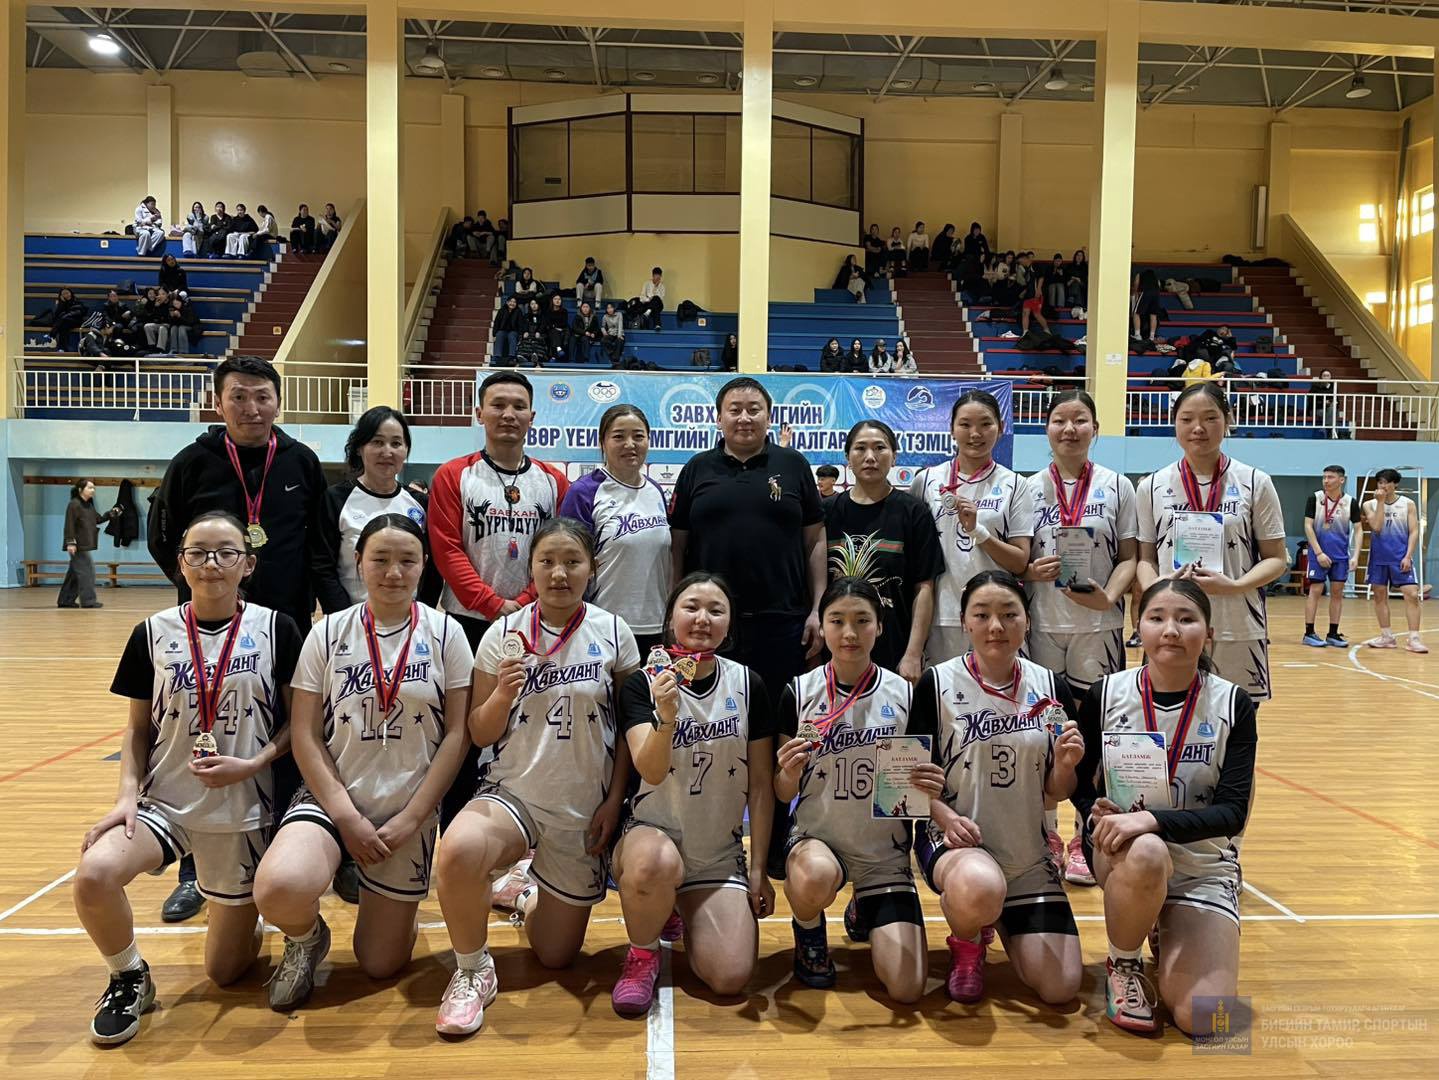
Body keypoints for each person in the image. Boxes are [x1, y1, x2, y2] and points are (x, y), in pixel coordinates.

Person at [75, 511, 302, 1046]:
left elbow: (300, 724)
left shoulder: (277, 628)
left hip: (242, 806)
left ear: (247, 564)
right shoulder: (151, 633)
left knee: (225, 972)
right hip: (166, 802)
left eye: (226, 553)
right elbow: (137, 729)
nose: (211, 563)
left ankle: (245, 914)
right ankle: (129, 976)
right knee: (94, 875)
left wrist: (253, 763)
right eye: (197, 553)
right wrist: (125, 795)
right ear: (181, 563)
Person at [254, 514, 473, 1010]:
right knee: (279, 887)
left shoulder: (447, 633)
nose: (393, 572)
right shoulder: (328, 632)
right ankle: (306, 938)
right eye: (380, 559)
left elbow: (458, 734)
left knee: (379, 962)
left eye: (407, 560)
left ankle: (397, 911)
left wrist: (414, 817)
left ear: (424, 565)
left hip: (406, 808)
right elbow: (305, 733)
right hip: (332, 798)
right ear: (358, 562)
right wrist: (345, 816)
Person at [433, 518, 639, 1036]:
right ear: (531, 568)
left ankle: (522, 893)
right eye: (547, 561)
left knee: (555, 956)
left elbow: (629, 733)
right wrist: (503, 693)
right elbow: (479, 732)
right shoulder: (503, 634)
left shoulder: (615, 632)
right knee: (457, 850)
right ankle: (473, 969)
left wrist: (614, 801)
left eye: (572, 561)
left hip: (583, 805)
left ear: (592, 569)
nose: (559, 573)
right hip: (514, 793)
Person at [148, 355, 328, 919]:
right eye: (239, 396)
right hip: (211, 631)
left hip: (285, 628)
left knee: (290, 736)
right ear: (218, 402)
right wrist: (202, 587)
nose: (252, 408)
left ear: (278, 402)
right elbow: (162, 537)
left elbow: (319, 544)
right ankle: (194, 869)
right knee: (206, 737)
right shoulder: (192, 462)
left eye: (262, 396)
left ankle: (283, 851)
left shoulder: (301, 461)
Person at [1072, 578, 1257, 1035]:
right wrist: (1093, 811)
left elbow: (1233, 812)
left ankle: (1164, 923)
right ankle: (1124, 964)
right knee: (1147, 851)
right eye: (1157, 618)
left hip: (1202, 866)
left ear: (1208, 633)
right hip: (1125, 855)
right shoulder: (1106, 694)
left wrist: (1151, 818)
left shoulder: (1233, 703)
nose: (1171, 630)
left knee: (1206, 1019)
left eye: (1186, 619)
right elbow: (1077, 782)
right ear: (1139, 628)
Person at [670, 376, 826, 877]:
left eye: (753, 408)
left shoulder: (793, 466)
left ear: (768, 416)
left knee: (776, 739)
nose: (744, 417)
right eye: (734, 409)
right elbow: (678, 548)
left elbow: (815, 542)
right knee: (706, 736)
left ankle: (774, 848)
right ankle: (704, 843)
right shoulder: (697, 470)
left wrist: (817, 608)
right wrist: (677, 613)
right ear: (718, 418)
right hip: (711, 630)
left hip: (782, 625)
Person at [910, 570, 1084, 1005]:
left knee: (1060, 988)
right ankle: (968, 942)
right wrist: (944, 816)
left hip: (1025, 852)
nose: (996, 626)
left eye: (1009, 614)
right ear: (964, 622)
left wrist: (1066, 764)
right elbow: (901, 780)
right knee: (979, 887)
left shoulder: (1051, 687)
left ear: (1027, 621)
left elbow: (1055, 792)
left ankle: (996, 913)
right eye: (982, 615)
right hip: (956, 844)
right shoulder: (936, 683)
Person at [610, 573, 776, 1015]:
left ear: (729, 624)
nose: (703, 618)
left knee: (730, 978)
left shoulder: (749, 684)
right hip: (653, 837)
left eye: (716, 610)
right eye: (691, 607)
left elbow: (761, 785)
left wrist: (758, 868)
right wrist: (666, 717)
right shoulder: (642, 683)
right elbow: (650, 769)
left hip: (717, 854)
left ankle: (677, 904)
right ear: (670, 619)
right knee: (654, 863)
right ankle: (642, 953)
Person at [775, 577, 935, 1001]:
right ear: (822, 625)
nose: (850, 633)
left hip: (884, 855)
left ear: (880, 626)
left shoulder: (905, 693)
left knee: (907, 988)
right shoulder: (798, 692)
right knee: (814, 877)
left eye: (862, 620)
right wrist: (788, 772)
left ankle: (866, 902)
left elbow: (911, 791)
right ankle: (809, 932)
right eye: (837, 621)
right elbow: (781, 791)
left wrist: (929, 786)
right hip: (818, 842)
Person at [1023, 389, 1137, 885]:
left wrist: (1109, 597)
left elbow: (1131, 556)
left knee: (1094, 734)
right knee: (1044, 732)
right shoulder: (1027, 488)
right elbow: (1017, 557)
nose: (1069, 429)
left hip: (1098, 629)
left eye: (1080, 420)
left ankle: (1083, 833)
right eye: (1059, 420)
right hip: (1043, 626)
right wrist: (1031, 570)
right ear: (1046, 428)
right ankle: (1044, 833)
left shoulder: (1118, 486)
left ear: (1095, 428)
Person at [1136, 382, 1289, 702]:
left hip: (1237, 625)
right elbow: (1145, 559)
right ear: (1174, 423)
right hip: (1171, 628)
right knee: (1169, 720)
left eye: (1210, 418)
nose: (1198, 428)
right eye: (1187, 419)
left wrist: (1235, 585)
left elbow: (1276, 558)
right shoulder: (1151, 486)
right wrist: (1159, 588)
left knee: (1237, 722)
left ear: (1227, 420)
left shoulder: (1255, 482)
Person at [428, 370, 568, 653]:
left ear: (532, 416)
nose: (509, 414)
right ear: (479, 414)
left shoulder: (554, 480)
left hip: (535, 613)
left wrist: (526, 601)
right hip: (467, 617)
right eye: (498, 405)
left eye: (519, 406)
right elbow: (447, 550)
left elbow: (561, 552)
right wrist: (490, 604)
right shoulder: (452, 474)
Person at [911, 389, 1036, 661]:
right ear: (952, 429)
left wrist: (978, 532)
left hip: (995, 617)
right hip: (939, 616)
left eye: (985, 424)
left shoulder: (1015, 485)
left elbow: (1019, 562)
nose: (975, 434)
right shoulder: (926, 481)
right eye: (965, 424)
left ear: (1000, 428)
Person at [825, 421, 943, 681]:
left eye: (880, 448)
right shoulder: (827, 511)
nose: (870, 457)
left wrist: (913, 653)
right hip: (835, 649)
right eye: (860, 448)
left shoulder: (913, 512)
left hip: (894, 649)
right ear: (847, 458)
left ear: (894, 456)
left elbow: (924, 587)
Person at [560, 404, 672, 654]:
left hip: (656, 625)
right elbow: (568, 563)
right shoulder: (584, 492)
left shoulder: (655, 490)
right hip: (603, 626)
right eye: (619, 436)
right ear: (603, 442)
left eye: (638, 436)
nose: (630, 444)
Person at [313, 406, 438, 612]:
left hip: (410, 618)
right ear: (359, 448)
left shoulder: (421, 503)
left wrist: (421, 615)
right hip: (352, 616)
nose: (387, 452)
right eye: (377, 442)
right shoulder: (335, 499)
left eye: (396, 443)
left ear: (406, 450)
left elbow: (432, 568)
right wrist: (346, 618)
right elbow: (322, 567)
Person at [1362, 468, 1427, 653]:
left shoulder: (1408, 504)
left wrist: (1408, 555)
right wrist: (1380, 502)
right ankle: (1387, 637)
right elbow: (1376, 527)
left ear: (1395, 484)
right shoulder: (1369, 504)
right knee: (1379, 596)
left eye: (1386, 482)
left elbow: (1413, 531)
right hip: (1378, 558)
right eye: (1380, 482)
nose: (1383, 486)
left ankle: (1414, 639)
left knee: (1412, 594)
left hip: (1400, 557)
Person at [1302, 464, 1362, 648]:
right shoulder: (1315, 498)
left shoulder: (1351, 502)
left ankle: (1333, 633)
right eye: (1324, 477)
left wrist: (1355, 556)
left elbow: (1359, 529)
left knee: (1337, 593)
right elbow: (1308, 526)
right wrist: (1319, 553)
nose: (1326, 481)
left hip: (1340, 556)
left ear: (1341, 480)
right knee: (1315, 590)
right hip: (1318, 555)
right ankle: (1309, 633)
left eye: (1330, 477)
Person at [59, 480, 119, 609]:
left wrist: (111, 513)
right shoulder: (74, 504)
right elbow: (69, 524)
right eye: (90, 488)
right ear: (81, 490)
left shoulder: (88, 506)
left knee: (74, 574)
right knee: (87, 573)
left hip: (84, 544)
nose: (93, 490)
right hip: (77, 545)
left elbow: (98, 519)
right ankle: (88, 601)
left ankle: (65, 600)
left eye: (94, 488)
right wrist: (70, 542)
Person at [47, 287, 87, 351]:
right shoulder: (62, 303)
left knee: (64, 320)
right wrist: (61, 303)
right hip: (65, 322)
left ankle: (52, 335)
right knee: (64, 326)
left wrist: (66, 315)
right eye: (64, 294)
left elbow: (79, 313)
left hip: (77, 321)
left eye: (67, 293)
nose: (66, 295)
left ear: (71, 293)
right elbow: (56, 315)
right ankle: (63, 348)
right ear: (61, 296)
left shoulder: (77, 301)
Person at [1132, 268, 1165, 342]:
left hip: (1146, 292)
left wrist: (1135, 292)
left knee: (1136, 313)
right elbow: (1159, 285)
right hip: (1156, 293)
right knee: (1153, 315)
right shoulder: (1154, 276)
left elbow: (1136, 283)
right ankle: (1152, 337)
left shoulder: (1139, 274)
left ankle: (1137, 335)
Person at [491, 295, 522, 362]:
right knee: (499, 334)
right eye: (511, 301)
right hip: (503, 330)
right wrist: (494, 334)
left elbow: (520, 324)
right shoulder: (502, 310)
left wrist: (520, 335)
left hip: (513, 331)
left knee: (512, 336)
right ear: (507, 302)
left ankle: (512, 356)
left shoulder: (518, 311)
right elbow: (497, 322)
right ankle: (497, 355)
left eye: (514, 302)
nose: (512, 303)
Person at [570, 300, 602, 365]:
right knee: (572, 339)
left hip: (587, 335)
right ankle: (571, 359)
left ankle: (586, 359)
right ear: (581, 308)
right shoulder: (577, 316)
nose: (585, 309)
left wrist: (594, 333)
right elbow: (574, 327)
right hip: (578, 334)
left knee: (585, 339)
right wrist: (584, 332)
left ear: (590, 308)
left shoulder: (594, 317)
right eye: (583, 307)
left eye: (587, 307)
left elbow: (596, 328)